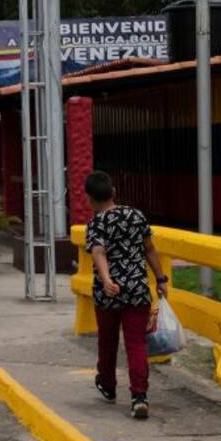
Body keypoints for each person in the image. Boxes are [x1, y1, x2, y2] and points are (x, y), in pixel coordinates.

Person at [83, 170, 167, 420]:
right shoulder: (136, 215)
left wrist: (108, 280)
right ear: (114, 193)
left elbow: (98, 252)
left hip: (109, 294)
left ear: (89, 199)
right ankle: (139, 396)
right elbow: (150, 250)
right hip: (137, 290)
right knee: (136, 344)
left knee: (107, 341)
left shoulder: (96, 223)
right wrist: (161, 279)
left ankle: (108, 385)